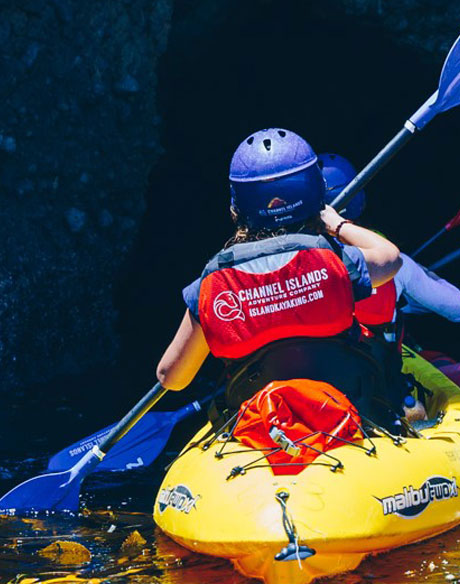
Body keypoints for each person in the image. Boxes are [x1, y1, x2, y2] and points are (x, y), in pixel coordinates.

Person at [156, 129, 402, 421]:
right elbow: (390, 258)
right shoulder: (333, 260)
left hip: (261, 427)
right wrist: (336, 224)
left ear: (237, 207)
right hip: (346, 412)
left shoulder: (213, 283)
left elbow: (171, 378)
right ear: (315, 194)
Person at [318, 152, 460, 420]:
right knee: (413, 407)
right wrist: (413, 280)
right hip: (375, 391)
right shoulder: (391, 260)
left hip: (317, 391)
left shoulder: (289, 262)